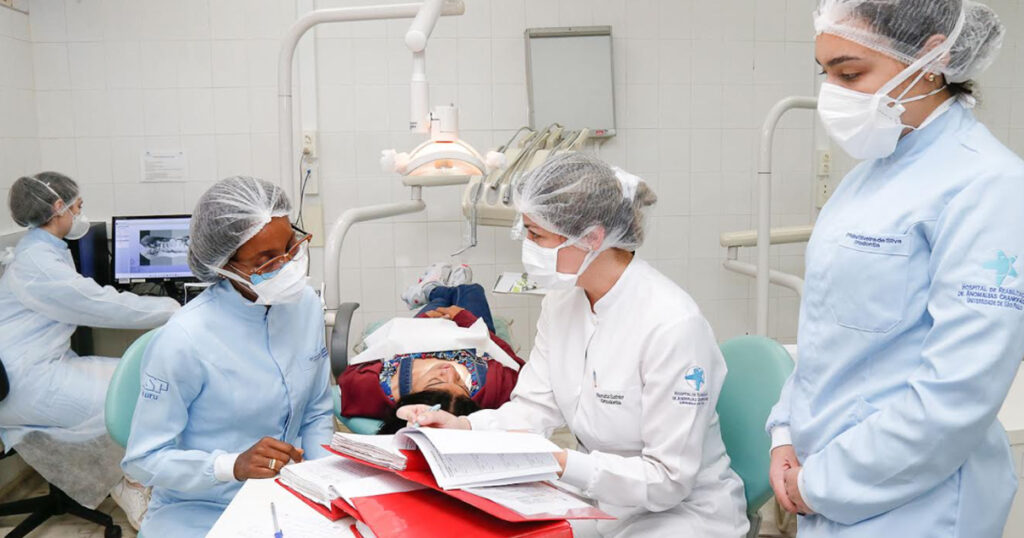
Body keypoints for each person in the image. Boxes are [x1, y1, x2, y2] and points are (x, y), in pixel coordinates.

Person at [766, 1, 1024, 536]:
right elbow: (823, 335)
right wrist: (785, 434)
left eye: (850, 73)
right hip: (822, 485)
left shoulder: (989, 185)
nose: (831, 93)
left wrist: (821, 484)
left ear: (930, 58)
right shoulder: (866, 179)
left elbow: (958, 393)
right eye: (827, 74)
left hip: (915, 506)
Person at [400, 153, 749, 537]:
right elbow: (534, 408)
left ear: (592, 238)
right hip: (601, 501)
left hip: (683, 515)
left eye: (537, 235)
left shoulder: (672, 325)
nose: (527, 246)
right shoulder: (563, 302)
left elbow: (667, 480)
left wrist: (560, 462)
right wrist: (463, 427)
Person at [121, 176, 335, 536]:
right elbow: (144, 460)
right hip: (199, 507)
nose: (287, 265)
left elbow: (315, 411)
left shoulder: (306, 308)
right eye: (266, 260)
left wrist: (325, 480)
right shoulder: (185, 339)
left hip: (288, 496)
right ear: (224, 264)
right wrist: (230, 465)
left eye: (291, 247)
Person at [0, 172, 179, 527]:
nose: (80, 214)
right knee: (130, 399)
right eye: (77, 206)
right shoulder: (37, 262)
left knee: (142, 381)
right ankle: (130, 484)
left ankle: (139, 476)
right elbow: (96, 303)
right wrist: (174, 310)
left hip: (44, 365)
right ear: (58, 207)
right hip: (23, 380)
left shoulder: (43, 249)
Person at [340, 279, 523, 427]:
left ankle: (432, 290)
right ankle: (441, 288)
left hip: (422, 330)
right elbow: (516, 365)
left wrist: (424, 322)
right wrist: (463, 318)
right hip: (470, 334)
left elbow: (349, 377)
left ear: (412, 396)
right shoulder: (490, 391)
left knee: (440, 303)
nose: (449, 371)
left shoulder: (382, 387)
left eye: (436, 380)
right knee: (471, 290)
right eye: (462, 383)